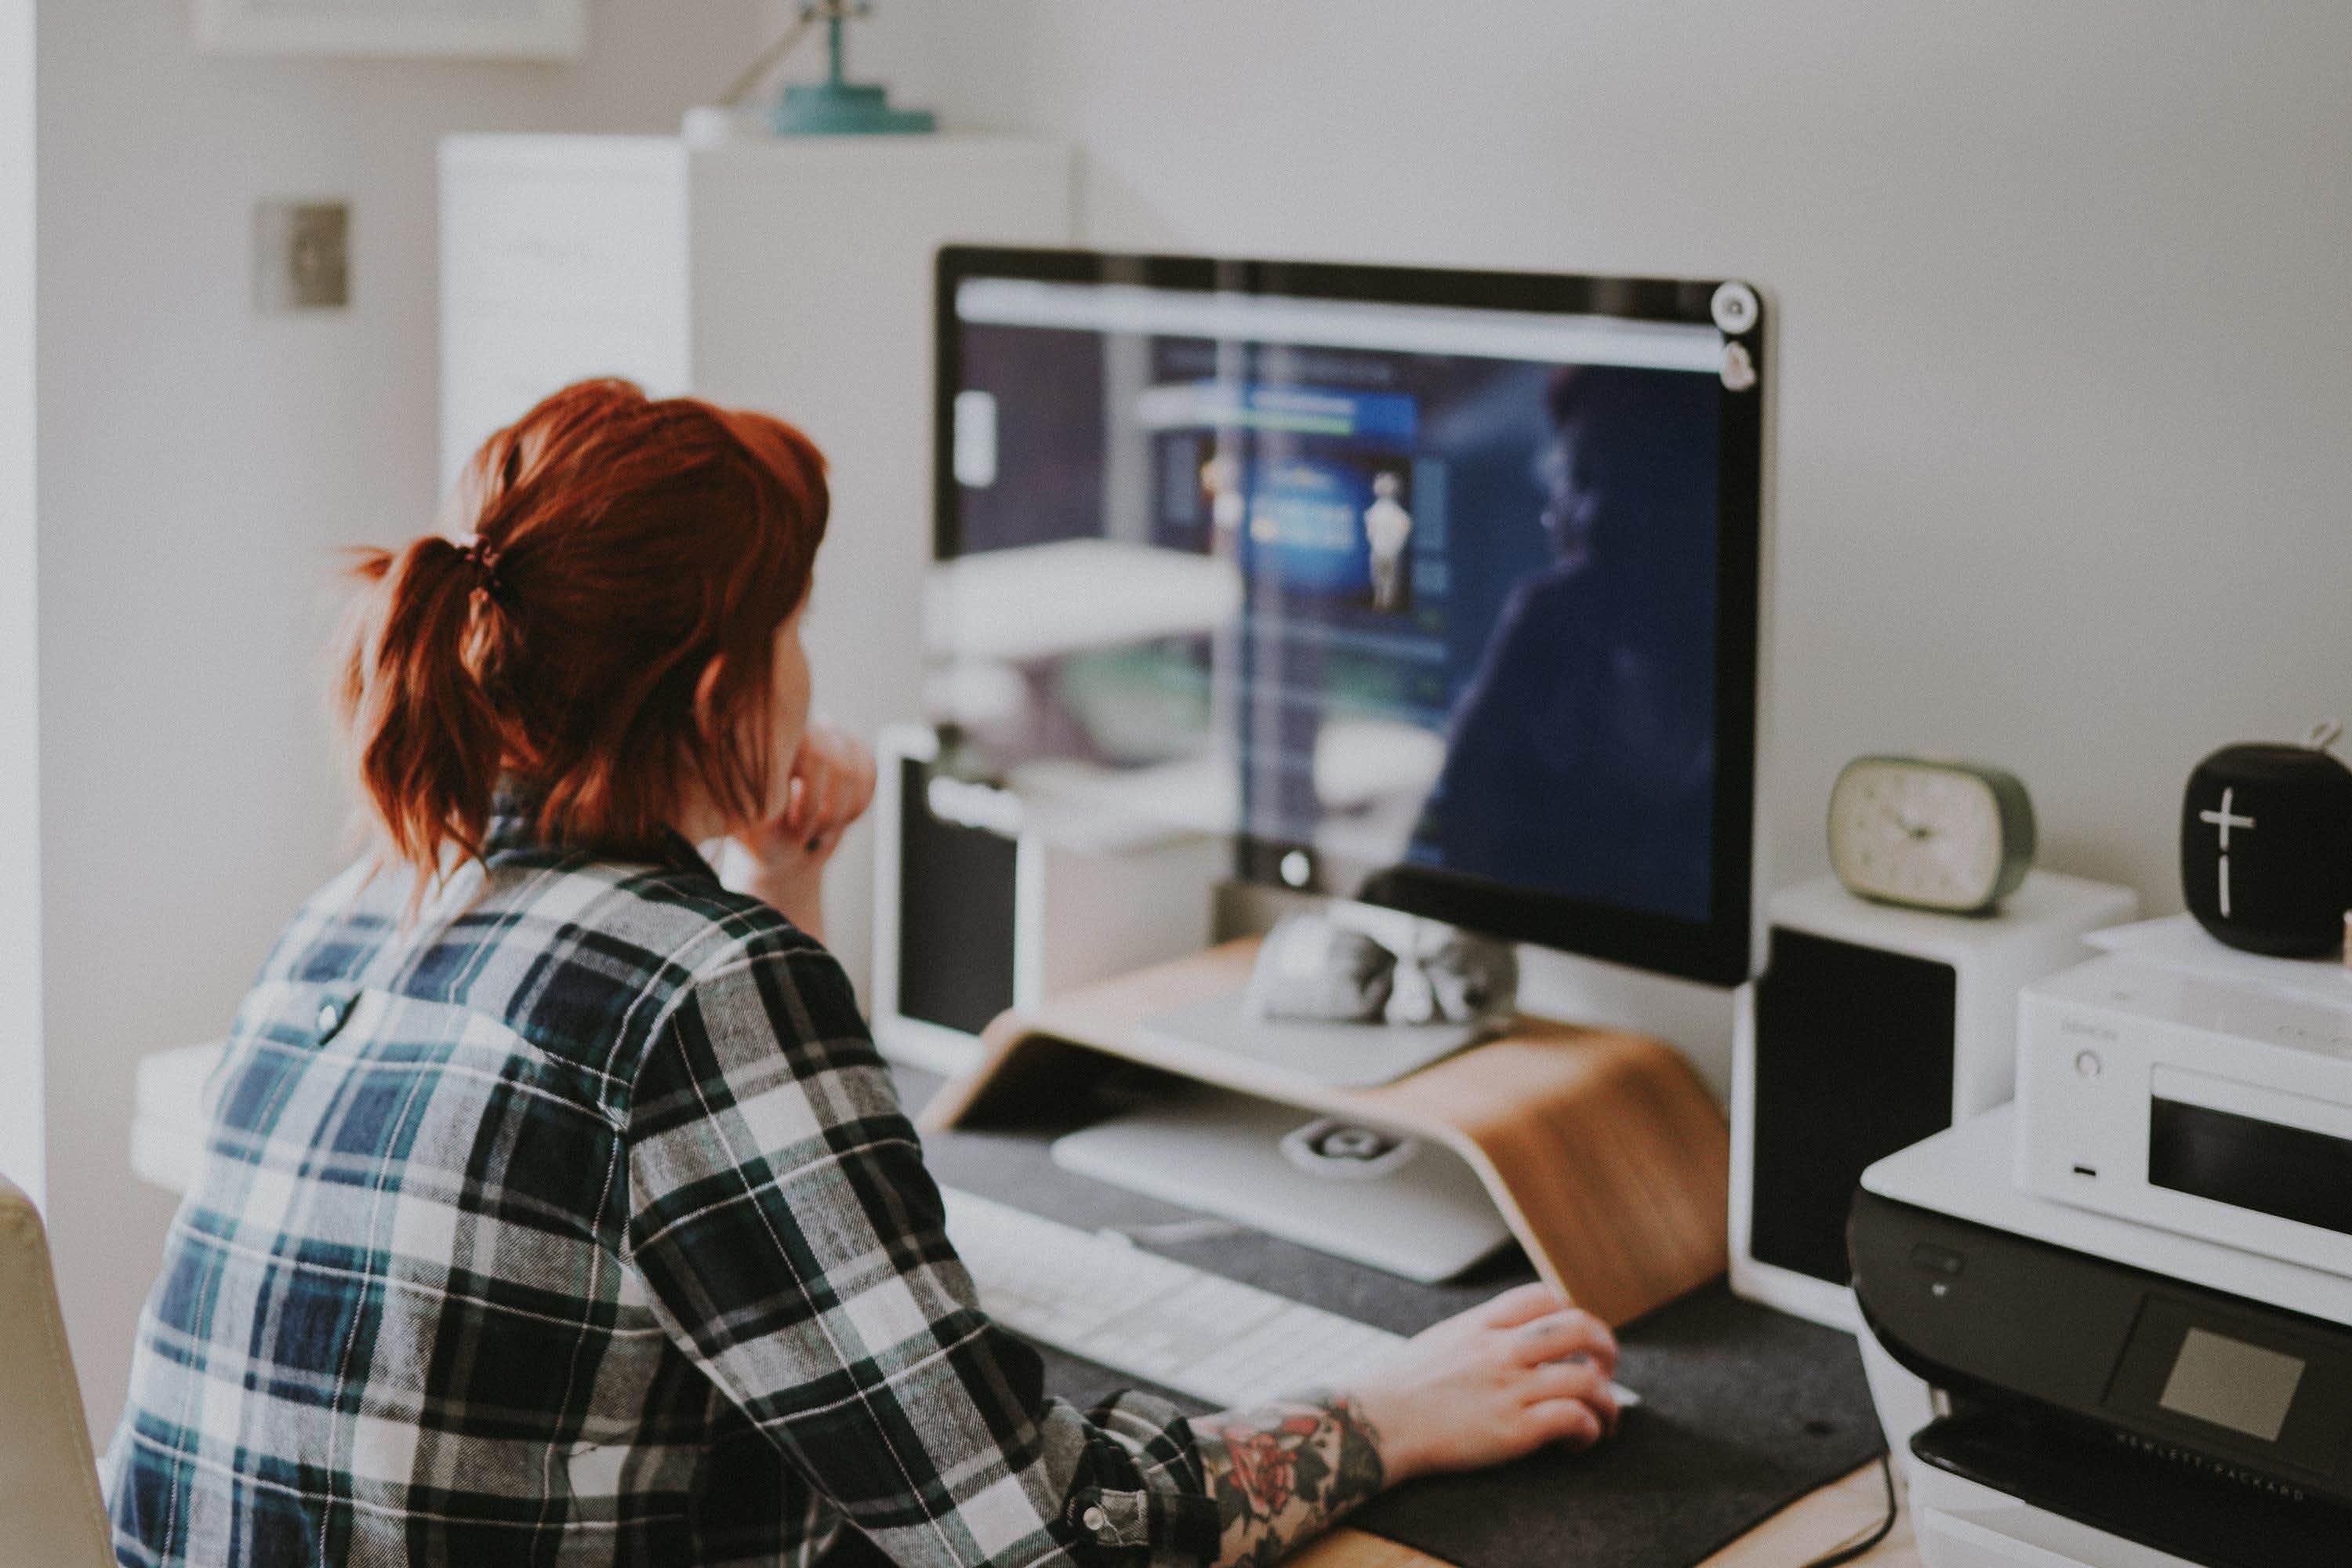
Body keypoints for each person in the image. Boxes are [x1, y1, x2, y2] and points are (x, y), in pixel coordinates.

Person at [103, 379, 1621, 1568]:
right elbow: (1031, 1535)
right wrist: (1391, 1415)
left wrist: (783, 880)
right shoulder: (696, 985)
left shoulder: (375, 893)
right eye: (797, 632)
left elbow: (746, 1218)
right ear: (723, 689)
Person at [1416, 365, 1720, 920]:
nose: (1597, 517)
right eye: (1577, 479)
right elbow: (1439, 855)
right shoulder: (1545, 644)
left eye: (1639, 482)